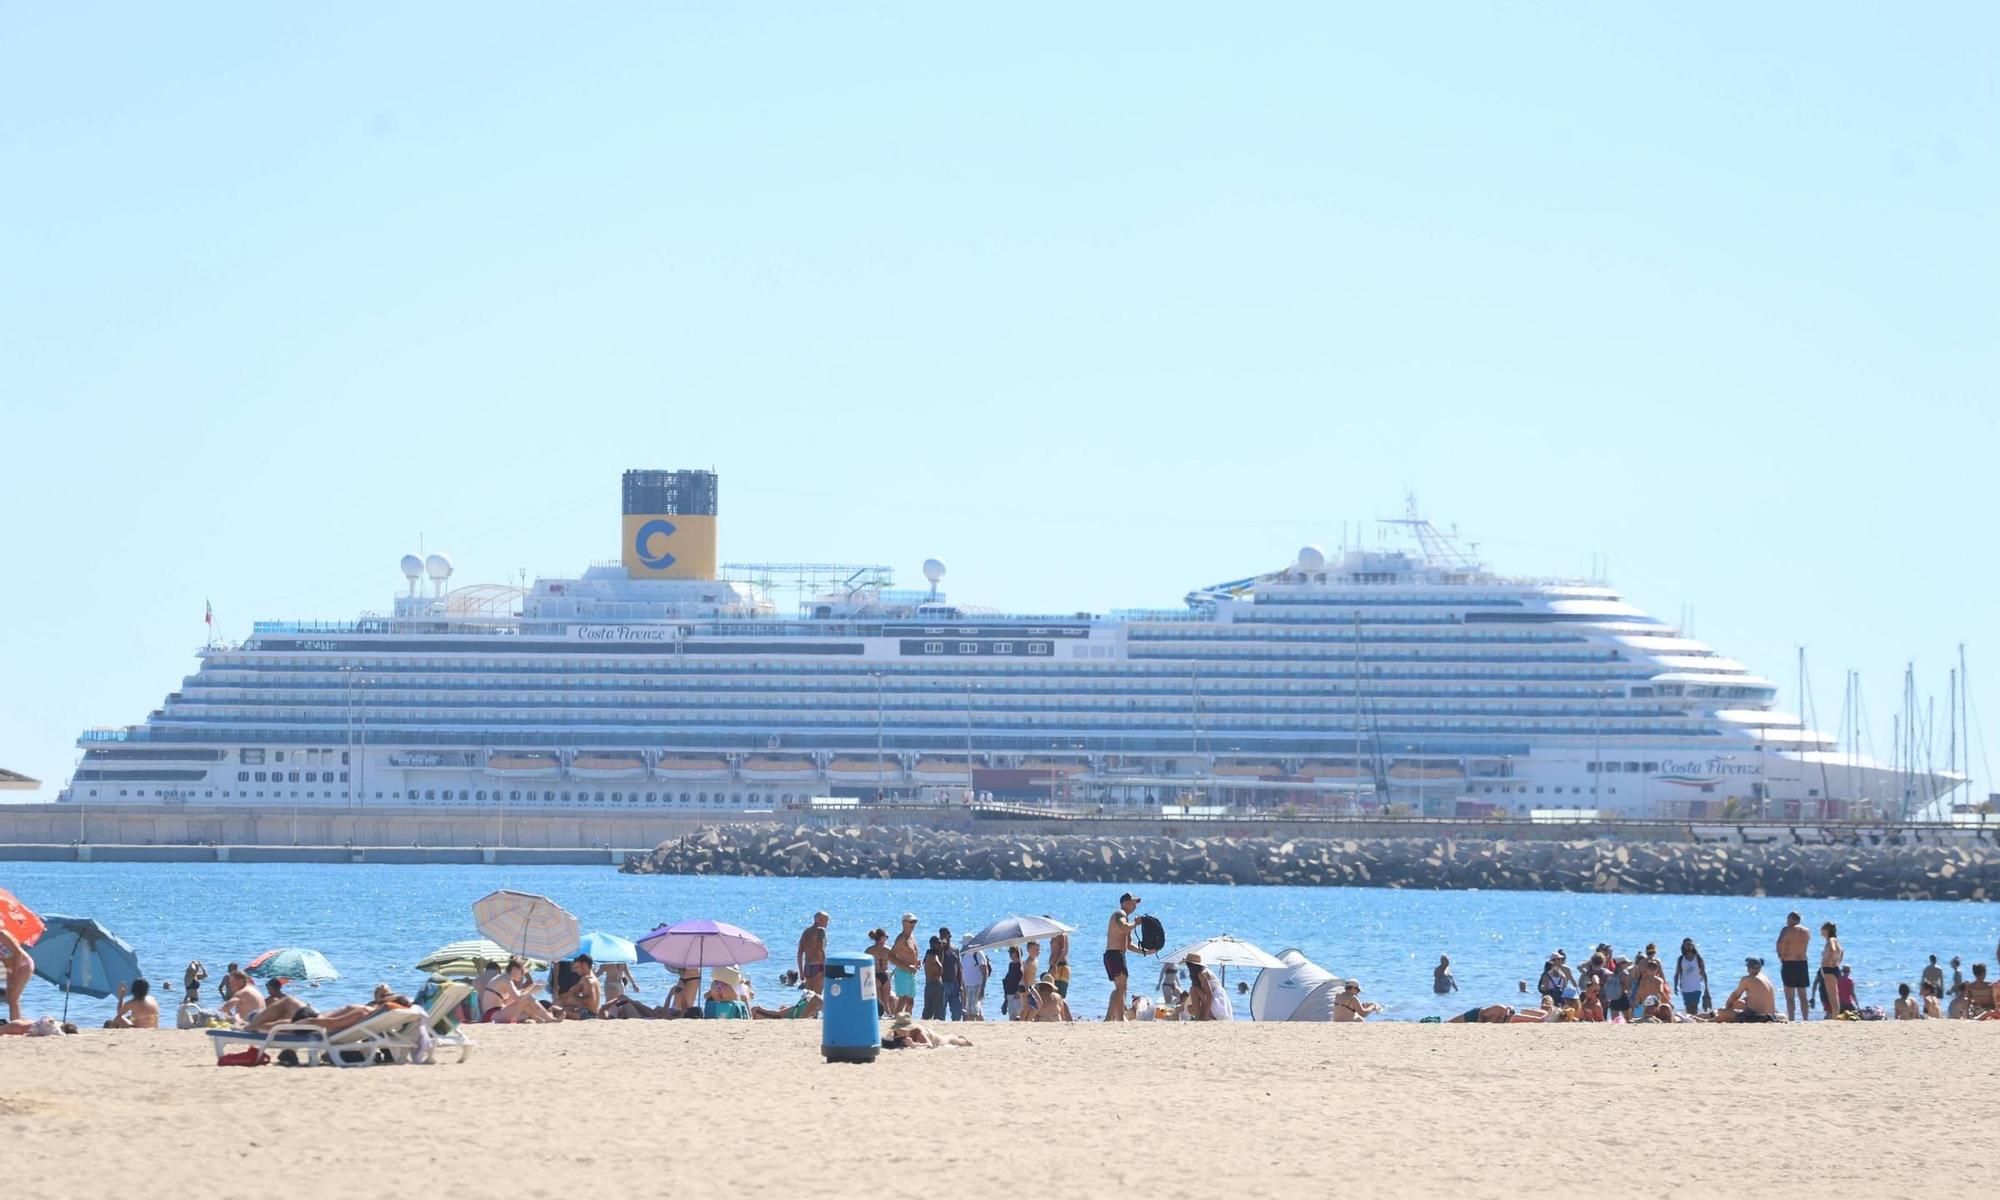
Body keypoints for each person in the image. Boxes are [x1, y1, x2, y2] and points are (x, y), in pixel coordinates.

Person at [1104, 891, 1142, 1022]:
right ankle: (1108, 1018)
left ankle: (1120, 1019)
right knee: (1121, 988)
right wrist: (1136, 923)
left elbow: (1130, 945)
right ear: (1125, 903)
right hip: (1114, 955)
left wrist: (1147, 951)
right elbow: (1123, 927)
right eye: (1133, 903)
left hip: (1117, 955)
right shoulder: (1120, 914)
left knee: (1121, 989)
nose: (1135, 906)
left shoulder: (1126, 919)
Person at [485, 958, 558, 1023]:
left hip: (493, 1014)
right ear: (514, 969)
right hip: (493, 1014)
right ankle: (549, 1019)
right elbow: (519, 999)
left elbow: (512, 999)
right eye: (522, 972)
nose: (522, 975)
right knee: (528, 998)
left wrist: (530, 987)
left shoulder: (504, 978)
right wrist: (532, 990)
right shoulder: (506, 980)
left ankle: (539, 1018)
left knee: (526, 1004)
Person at [1711, 957, 1780, 1023]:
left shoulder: (1747, 979)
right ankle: (1714, 1017)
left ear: (1748, 968)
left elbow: (1735, 996)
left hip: (1756, 1017)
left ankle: (1714, 1017)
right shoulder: (1765, 978)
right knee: (1740, 1003)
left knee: (1721, 1012)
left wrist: (1727, 1007)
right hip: (1772, 1016)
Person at [1777, 913, 1812, 1021]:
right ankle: (1805, 1018)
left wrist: (1780, 955)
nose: (1787, 922)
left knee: (1790, 996)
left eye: (1788, 919)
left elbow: (1779, 943)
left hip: (1789, 963)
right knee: (1803, 995)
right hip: (1802, 963)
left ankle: (1792, 1019)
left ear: (1793, 919)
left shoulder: (1787, 930)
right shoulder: (1806, 931)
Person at [245, 978, 311, 1031]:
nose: (268, 991)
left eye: (268, 989)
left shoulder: (273, 1000)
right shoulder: (286, 998)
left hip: (276, 1023)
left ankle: (250, 1026)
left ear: (273, 988)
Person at [889, 913, 921, 1017]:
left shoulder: (912, 936)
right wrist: (907, 967)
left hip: (912, 973)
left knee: (910, 1002)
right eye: (911, 922)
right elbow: (891, 956)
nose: (913, 924)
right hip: (903, 972)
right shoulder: (901, 939)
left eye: (914, 922)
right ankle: (896, 1024)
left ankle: (907, 1023)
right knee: (902, 1000)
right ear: (904, 923)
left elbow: (912, 953)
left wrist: (917, 963)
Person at [881, 1012, 971, 1050]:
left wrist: (914, 1044)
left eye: (903, 1029)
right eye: (899, 1029)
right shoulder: (897, 1031)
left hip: (942, 1041)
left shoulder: (919, 1033)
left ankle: (963, 1039)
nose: (900, 1032)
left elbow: (929, 1045)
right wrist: (890, 1034)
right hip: (934, 1038)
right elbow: (890, 1034)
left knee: (961, 1042)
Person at [0, 927, 32, 1024]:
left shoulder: (3, 935)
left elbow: (18, 954)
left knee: (13, 998)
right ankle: (16, 1022)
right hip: (9, 969)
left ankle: (16, 1024)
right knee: (10, 997)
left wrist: (14, 974)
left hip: (23, 965)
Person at [797, 911, 828, 996]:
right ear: (820, 920)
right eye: (826, 920)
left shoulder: (806, 932)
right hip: (818, 966)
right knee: (817, 997)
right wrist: (825, 968)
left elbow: (800, 952)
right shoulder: (821, 931)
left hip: (807, 967)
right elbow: (821, 950)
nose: (827, 923)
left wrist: (801, 971)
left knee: (807, 997)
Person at [863, 928, 894, 1015]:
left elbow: (863, 965)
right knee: (886, 1003)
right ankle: (888, 1016)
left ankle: (879, 1016)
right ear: (881, 938)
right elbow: (896, 960)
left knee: (878, 1002)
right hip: (885, 976)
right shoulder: (888, 950)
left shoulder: (869, 950)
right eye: (886, 937)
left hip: (874, 976)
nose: (887, 939)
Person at [1674, 939, 1709, 1013]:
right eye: (1687, 945)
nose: (1689, 946)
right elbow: (1677, 973)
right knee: (1688, 1007)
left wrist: (1706, 988)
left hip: (1696, 987)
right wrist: (1675, 985)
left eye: (1690, 944)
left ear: (1693, 946)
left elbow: (1703, 973)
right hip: (1685, 988)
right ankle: (1691, 1022)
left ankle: (1694, 1019)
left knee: (1694, 1006)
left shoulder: (1698, 958)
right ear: (1683, 946)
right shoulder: (1681, 959)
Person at [1818, 922, 1844, 1019]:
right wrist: (1838, 962)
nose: (1820, 931)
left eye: (1822, 929)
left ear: (1826, 930)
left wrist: (1831, 961)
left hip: (1829, 970)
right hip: (1831, 969)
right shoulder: (1833, 940)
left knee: (1832, 996)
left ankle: (1835, 1017)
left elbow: (1834, 950)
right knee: (1833, 995)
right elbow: (1842, 951)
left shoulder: (1831, 940)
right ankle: (1835, 1016)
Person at [960, 939, 990, 1021]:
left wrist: (982, 989)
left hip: (976, 985)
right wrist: (962, 985)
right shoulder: (964, 954)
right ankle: (981, 1025)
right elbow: (963, 970)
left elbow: (985, 972)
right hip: (967, 986)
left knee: (972, 1011)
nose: (964, 946)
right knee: (974, 1009)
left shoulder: (978, 953)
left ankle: (972, 1025)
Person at [938, 928, 963, 1021]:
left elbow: (959, 968)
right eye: (941, 935)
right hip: (943, 983)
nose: (943, 937)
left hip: (954, 983)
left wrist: (960, 984)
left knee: (957, 1010)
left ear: (950, 935)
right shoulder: (939, 949)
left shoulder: (955, 949)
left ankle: (955, 1025)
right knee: (941, 1010)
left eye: (945, 935)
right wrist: (941, 948)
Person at [920, 936, 945, 1021]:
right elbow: (939, 965)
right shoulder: (934, 955)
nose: (940, 945)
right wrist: (940, 973)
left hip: (929, 984)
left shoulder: (928, 953)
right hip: (936, 983)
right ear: (934, 945)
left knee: (928, 1008)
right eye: (939, 944)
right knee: (938, 1009)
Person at [752, 990, 822, 1020]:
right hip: (805, 1002)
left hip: (804, 1003)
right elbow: (776, 1013)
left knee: (779, 1011)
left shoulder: (784, 1014)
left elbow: (776, 1013)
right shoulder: (792, 1011)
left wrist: (762, 1009)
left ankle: (758, 1012)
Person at [1048, 921, 1071, 998]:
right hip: (1056, 966)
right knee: (1052, 994)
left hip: (1060, 966)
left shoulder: (1060, 933)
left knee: (1059, 996)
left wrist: (1055, 965)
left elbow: (1063, 950)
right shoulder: (1054, 934)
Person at [999, 945, 1023, 1019]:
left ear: (1017, 953)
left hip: (1017, 994)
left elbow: (1023, 979)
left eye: (1012, 952)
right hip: (1009, 993)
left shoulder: (1022, 965)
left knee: (1017, 1015)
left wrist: (1018, 992)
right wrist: (1005, 995)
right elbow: (1008, 979)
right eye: (1009, 952)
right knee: (1012, 1015)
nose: (1010, 954)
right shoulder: (1011, 964)